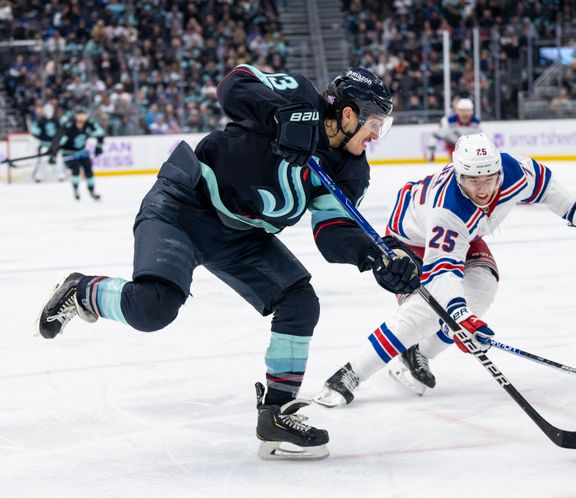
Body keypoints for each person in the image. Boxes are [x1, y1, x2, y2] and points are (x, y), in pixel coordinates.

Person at [34, 65, 420, 460]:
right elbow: (234, 84)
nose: (376, 135)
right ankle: (82, 290)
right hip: (183, 206)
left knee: (299, 302)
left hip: (242, 237)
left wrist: (373, 254)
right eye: (375, 122)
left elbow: (333, 231)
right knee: (153, 308)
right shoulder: (300, 95)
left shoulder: (351, 168)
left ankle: (276, 413)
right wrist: (280, 115)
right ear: (349, 113)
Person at [314, 133, 576, 407]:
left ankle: (417, 354)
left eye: (488, 178)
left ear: (498, 170)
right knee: (425, 312)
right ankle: (350, 373)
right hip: (410, 242)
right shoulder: (447, 209)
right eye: (473, 180)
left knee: (483, 289)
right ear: (460, 176)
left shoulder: (514, 171)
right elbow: (442, 273)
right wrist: (461, 318)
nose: (483, 188)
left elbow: (546, 186)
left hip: (466, 234)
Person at [48, 110, 105, 200]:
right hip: (68, 153)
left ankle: (92, 191)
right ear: (76, 116)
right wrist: (53, 154)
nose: (83, 117)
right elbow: (58, 140)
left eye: (84, 115)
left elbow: (100, 134)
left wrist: (99, 147)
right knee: (76, 170)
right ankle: (76, 190)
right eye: (80, 115)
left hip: (82, 151)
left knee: (89, 170)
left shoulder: (89, 124)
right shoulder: (69, 126)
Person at [30, 103, 64, 182]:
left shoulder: (57, 120)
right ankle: (39, 176)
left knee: (58, 159)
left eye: (50, 110)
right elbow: (34, 130)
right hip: (44, 144)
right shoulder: (40, 120)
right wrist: (39, 135)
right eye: (47, 110)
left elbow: (62, 130)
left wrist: (60, 140)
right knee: (43, 160)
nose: (49, 111)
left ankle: (60, 175)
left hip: (55, 145)